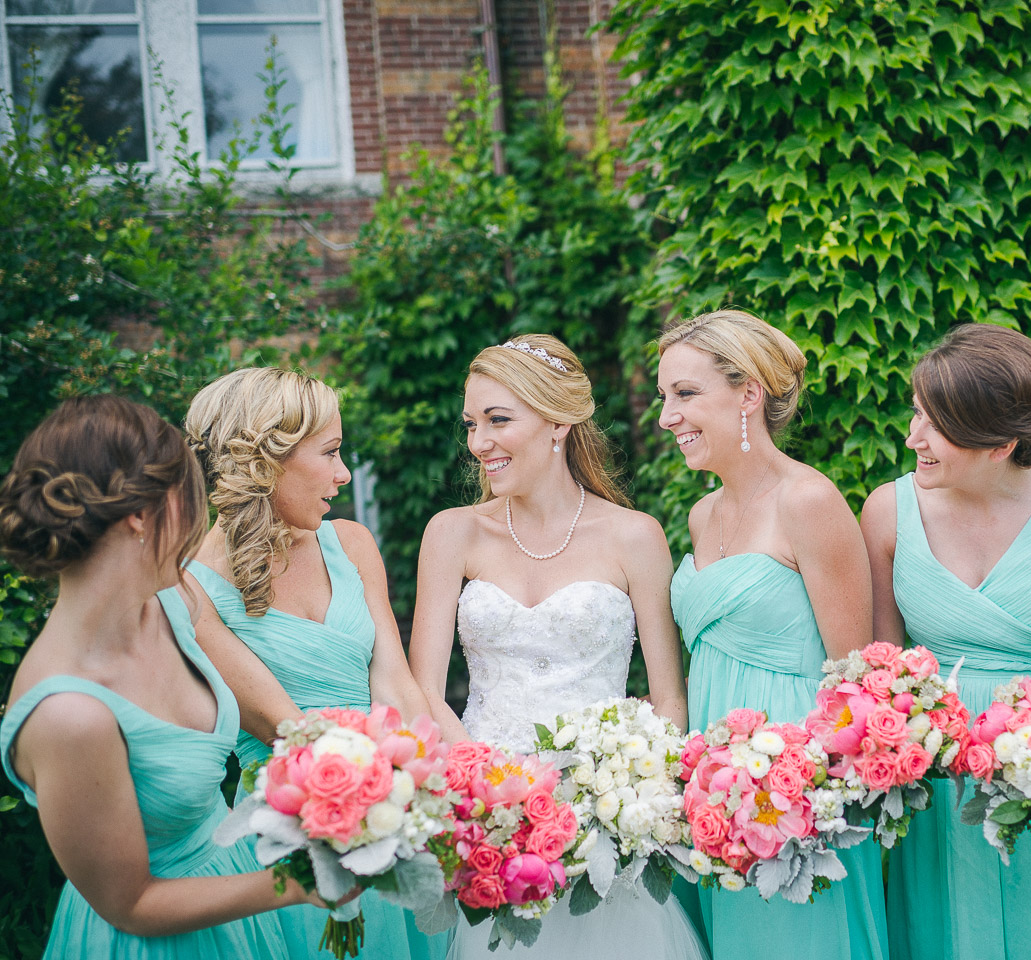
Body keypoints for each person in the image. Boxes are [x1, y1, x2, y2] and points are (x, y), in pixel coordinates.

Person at [407, 335, 706, 960]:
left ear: (558, 423)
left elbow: (669, 699)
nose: (478, 443)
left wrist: (623, 801)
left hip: (603, 825)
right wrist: (493, 800)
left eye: (497, 420)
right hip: (492, 825)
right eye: (471, 424)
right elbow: (423, 695)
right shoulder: (451, 533)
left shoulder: (636, 537)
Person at [0, 395, 319, 959]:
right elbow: (131, 903)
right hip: (153, 940)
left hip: (238, 903)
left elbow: (275, 714)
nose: (200, 526)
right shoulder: (69, 714)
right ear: (142, 517)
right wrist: (299, 883)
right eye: (193, 500)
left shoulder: (174, 597)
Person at [863, 323, 1031, 960]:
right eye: (916, 414)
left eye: (935, 425)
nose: (913, 438)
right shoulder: (885, 510)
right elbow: (882, 670)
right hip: (939, 781)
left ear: (999, 443)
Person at [182, 367, 448, 960]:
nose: (343, 474)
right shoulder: (188, 589)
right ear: (267, 459)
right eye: (329, 453)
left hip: (391, 816)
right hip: (287, 839)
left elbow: (396, 686)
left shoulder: (350, 543)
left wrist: (435, 798)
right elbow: (282, 728)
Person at [657, 309, 889, 960]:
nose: (666, 417)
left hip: (792, 799)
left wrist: (796, 794)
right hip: (711, 789)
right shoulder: (703, 514)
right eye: (663, 397)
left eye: (685, 394)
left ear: (749, 395)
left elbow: (856, 681)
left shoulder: (809, 502)